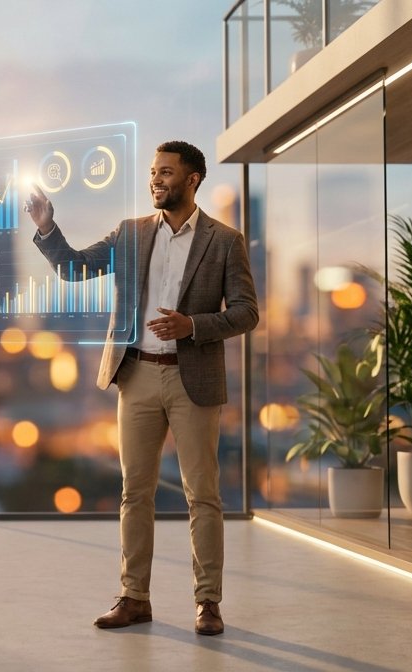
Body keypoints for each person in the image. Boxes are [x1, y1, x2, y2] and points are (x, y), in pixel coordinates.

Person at [27, 140, 257, 636]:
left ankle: (208, 603)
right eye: (153, 172)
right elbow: (74, 268)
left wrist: (192, 325)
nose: (156, 180)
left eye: (167, 172)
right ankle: (134, 598)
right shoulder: (130, 234)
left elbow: (247, 312)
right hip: (137, 375)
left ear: (193, 179)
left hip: (193, 379)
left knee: (204, 495)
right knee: (135, 492)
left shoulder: (224, 241)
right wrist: (46, 225)